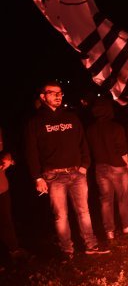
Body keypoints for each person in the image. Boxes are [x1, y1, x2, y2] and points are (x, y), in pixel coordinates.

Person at [24, 81, 109, 258]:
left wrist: (84, 166)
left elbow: (83, 143)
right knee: (61, 216)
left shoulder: (72, 118)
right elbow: (31, 151)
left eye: (60, 93)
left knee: (84, 211)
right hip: (53, 176)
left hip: (76, 173)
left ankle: (91, 245)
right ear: (43, 96)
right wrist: (37, 177)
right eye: (52, 92)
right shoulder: (36, 122)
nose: (58, 96)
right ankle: (67, 249)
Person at [85, 97, 128, 240]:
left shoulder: (90, 129)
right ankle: (126, 226)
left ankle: (109, 231)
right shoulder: (116, 127)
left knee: (106, 200)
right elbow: (122, 149)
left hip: (100, 167)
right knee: (123, 198)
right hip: (118, 166)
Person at [0, 127, 27, 267]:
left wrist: (8, 158)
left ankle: (14, 250)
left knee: (6, 220)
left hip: (2, 188)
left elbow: (9, 149)